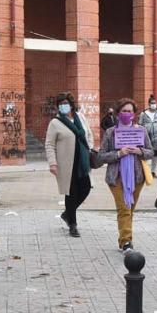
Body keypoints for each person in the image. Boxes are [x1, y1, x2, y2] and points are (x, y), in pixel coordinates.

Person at [97, 98, 153, 252]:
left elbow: (150, 152)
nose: (127, 114)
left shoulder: (140, 130)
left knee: (130, 211)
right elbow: (101, 156)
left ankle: (123, 239)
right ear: (118, 113)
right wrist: (118, 154)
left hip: (137, 178)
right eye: (124, 111)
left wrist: (140, 151)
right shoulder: (111, 132)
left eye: (130, 111)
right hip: (116, 178)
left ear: (134, 114)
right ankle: (127, 241)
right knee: (124, 209)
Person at [44, 91, 96, 237]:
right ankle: (73, 224)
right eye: (60, 104)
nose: (63, 107)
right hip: (66, 164)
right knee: (71, 193)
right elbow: (49, 144)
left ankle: (67, 213)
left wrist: (89, 149)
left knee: (85, 188)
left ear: (71, 105)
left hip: (82, 162)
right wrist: (52, 163)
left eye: (66, 104)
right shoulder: (55, 122)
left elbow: (89, 134)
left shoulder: (80, 117)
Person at [140, 95, 157, 170]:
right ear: (149, 104)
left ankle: (153, 170)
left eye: (155, 103)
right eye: (152, 103)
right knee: (145, 152)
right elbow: (140, 125)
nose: (153, 105)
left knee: (155, 153)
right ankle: (144, 170)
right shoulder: (143, 113)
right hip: (146, 136)